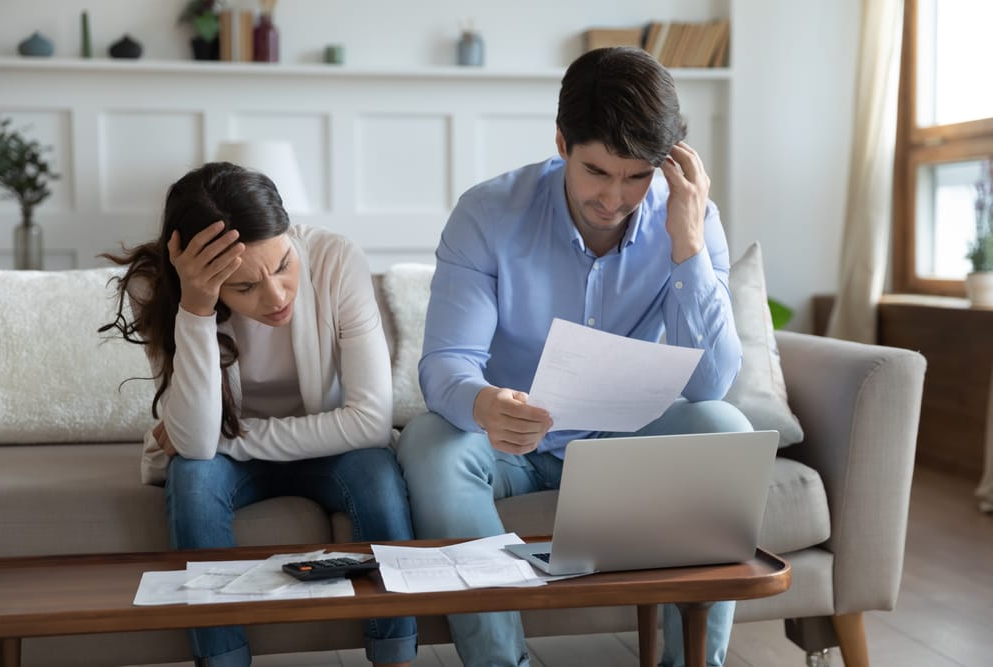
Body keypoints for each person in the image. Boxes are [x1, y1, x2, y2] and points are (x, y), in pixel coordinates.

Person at [395, 46, 752, 667]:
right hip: (513, 441)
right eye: (597, 171)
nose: (616, 198)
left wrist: (688, 247)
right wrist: (483, 401)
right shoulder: (488, 214)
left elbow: (711, 386)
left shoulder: (691, 219)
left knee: (726, 429)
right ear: (562, 142)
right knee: (430, 444)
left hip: (628, 437)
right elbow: (445, 362)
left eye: (639, 175)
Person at [100, 162, 417, 667]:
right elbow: (198, 449)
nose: (275, 297)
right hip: (250, 453)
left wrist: (230, 439)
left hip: (330, 449)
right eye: (244, 287)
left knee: (377, 475)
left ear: (289, 233)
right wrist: (197, 308)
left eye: (283, 265)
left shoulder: (336, 259)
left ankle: (396, 655)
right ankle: (223, 659)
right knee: (193, 480)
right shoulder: (162, 291)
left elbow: (370, 423)